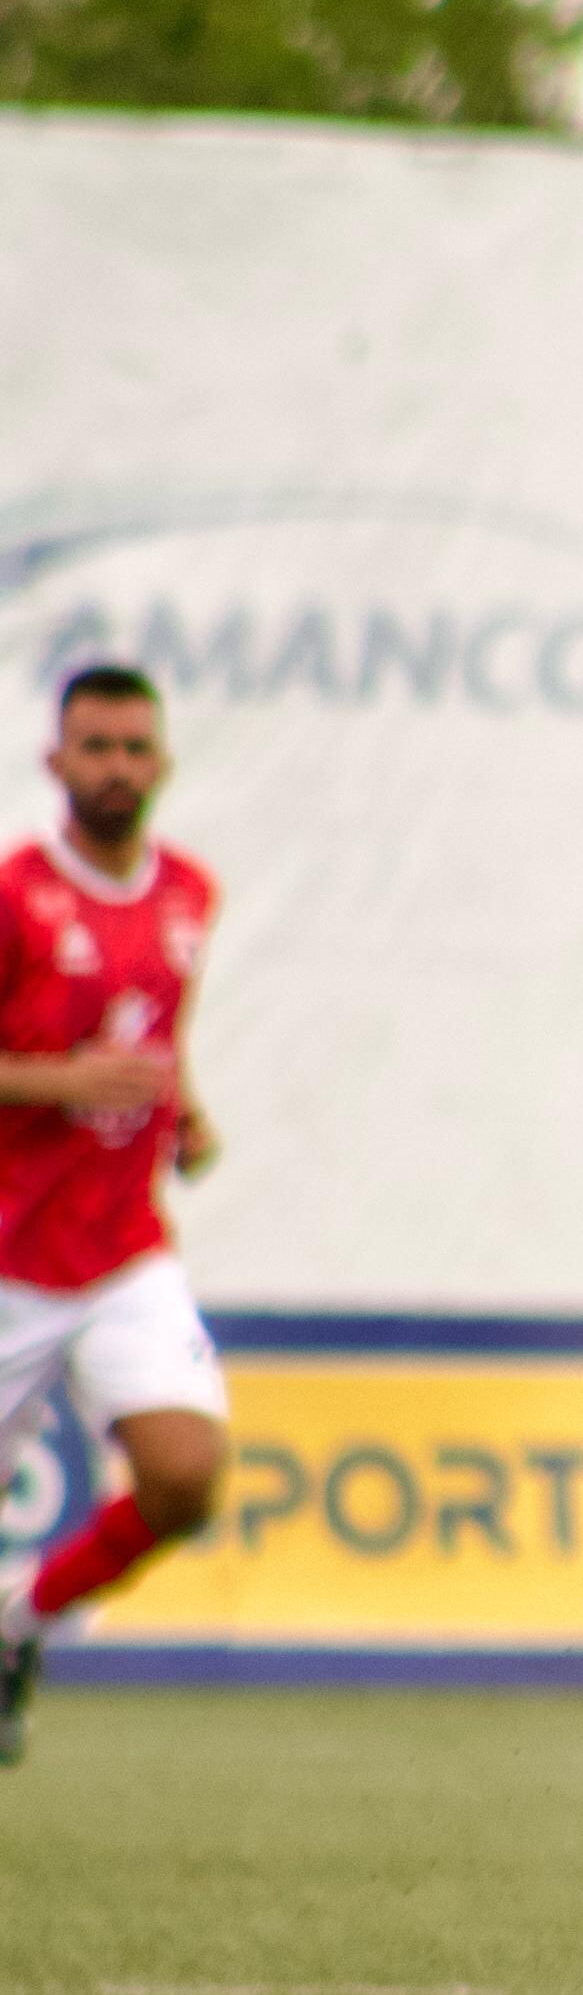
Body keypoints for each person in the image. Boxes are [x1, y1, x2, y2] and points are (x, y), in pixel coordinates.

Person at [0, 665, 230, 1765]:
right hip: (10, 1257)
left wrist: (182, 1114)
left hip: (123, 1254)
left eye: (136, 747)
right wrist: (62, 1083)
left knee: (185, 1476)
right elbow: (74, 1064)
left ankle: (17, 1623)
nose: (118, 768)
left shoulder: (189, 893)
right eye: (96, 747)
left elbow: (150, 1038)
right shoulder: (16, 897)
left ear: (164, 762)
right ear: (56, 761)